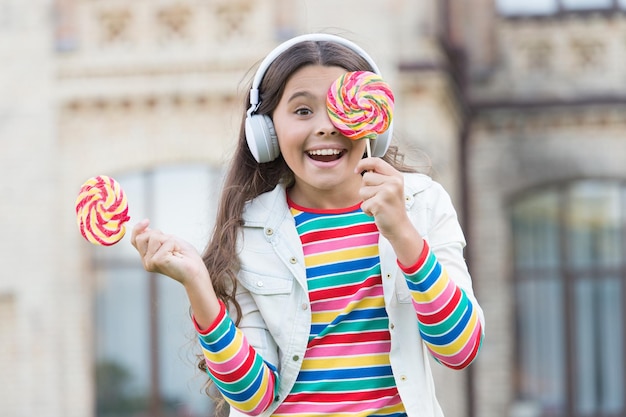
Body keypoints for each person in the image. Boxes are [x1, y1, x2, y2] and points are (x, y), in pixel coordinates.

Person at [131, 33, 485, 417]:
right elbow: (254, 398)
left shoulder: (421, 204)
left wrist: (402, 234)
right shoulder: (248, 229)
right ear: (266, 132)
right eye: (302, 111)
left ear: (374, 119)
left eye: (341, 108)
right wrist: (198, 286)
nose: (326, 126)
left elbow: (459, 349)